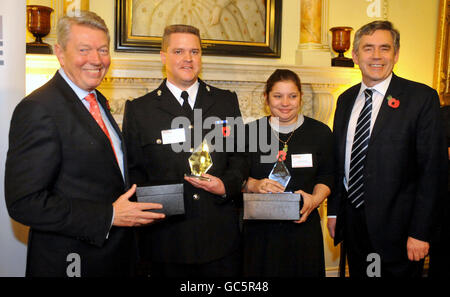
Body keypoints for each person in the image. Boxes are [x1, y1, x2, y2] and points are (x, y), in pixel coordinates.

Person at [4, 11, 165, 277]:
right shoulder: (38, 108)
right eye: (84, 49)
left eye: (103, 50)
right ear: (60, 52)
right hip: (70, 261)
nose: (96, 60)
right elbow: (25, 202)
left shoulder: (97, 101)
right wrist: (109, 215)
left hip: (112, 257)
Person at [122, 24, 247, 277]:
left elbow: (241, 157)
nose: (188, 59)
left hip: (218, 240)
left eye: (195, 52)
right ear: (163, 56)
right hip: (165, 243)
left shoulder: (225, 102)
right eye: (178, 51)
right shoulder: (140, 110)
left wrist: (226, 186)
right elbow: (133, 173)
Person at [327, 20, 446, 277]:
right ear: (356, 56)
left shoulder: (421, 98)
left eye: (385, 48)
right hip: (355, 225)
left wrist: (420, 232)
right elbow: (339, 163)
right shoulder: (345, 100)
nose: (377, 56)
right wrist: (334, 212)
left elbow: (433, 172)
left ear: (396, 54)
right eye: (368, 48)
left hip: (400, 232)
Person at [242, 69, 334, 277]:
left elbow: (327, 175)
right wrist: (255, 185)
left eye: (292, 96)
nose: (285, 103)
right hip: (260, 233)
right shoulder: (248, 133)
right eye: (278, 96)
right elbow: (236, 178)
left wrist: (315, 199)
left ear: (301, 97)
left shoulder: (320, 132)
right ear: (265, 98)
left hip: (303, 227)